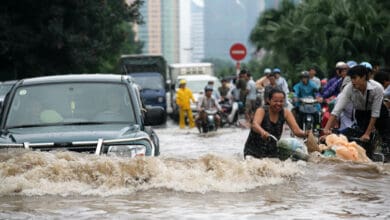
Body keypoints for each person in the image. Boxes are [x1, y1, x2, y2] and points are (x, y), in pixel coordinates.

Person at [323, 65, 389, 158]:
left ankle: (386, 155)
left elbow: (375, 113)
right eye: (351, 78)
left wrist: (367, 133)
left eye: (355, 78)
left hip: (379, 112)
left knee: (386, 137)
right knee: (361, 140)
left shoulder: (377, 88)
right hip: (361, 113)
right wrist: (326, 129)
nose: (352, 81)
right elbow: (337, 110)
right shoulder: (349, 88)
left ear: (364, 77)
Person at [243, 88, 309, 159]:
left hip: (272, 151)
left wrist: (307, 134)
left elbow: (296, 131)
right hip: (253, 151)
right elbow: (255, 125)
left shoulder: (286, 113)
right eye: (275, 101)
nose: (278, 104)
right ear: (269, 100)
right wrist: (262, 132)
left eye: (281, 101)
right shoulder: (262, 110)